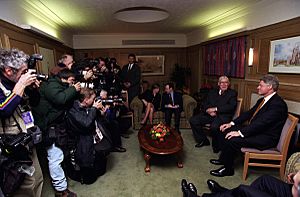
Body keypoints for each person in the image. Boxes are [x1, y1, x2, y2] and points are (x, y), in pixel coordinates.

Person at [209, 74, 288, 177]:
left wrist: (240, 133)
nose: (258, 87)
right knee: (224, 129)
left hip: (265, 137)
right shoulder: (262, 100)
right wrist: (231, 124)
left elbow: (262, 123)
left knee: (232, 139)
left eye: (261, 85)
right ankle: (224, 160)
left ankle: (228, 170)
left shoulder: (278, 104)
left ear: (270, 87)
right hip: (257, 131)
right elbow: (248, 113)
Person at [0, 48, 43, 197]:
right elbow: (3, 110)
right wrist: (21, 86)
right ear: (8, 71)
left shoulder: (18, 81)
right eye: (23, 71)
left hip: (27, 138)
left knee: (36, 179)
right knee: (21, 185)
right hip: (11, 145)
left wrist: (32, 89)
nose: (26, 74)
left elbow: (36, 103)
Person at [32, 69, 80, 197]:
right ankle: (61, 190)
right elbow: (60, 99)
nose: (72, 83)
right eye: (71, 81)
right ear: (64, 78)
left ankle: (61, 184)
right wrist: (73, 89)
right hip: (49, 126)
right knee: (55, 157)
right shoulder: (52, 85)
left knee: (58, 155)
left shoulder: (58, 85)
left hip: (54, 125)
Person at [65, 88, 112, 184]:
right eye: (93, 98)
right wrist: (94, 108)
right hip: (83, 141)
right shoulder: (73, 111)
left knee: (101, 167)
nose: (94, 100)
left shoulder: (89, 105)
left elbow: (101, 118)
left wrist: (102, 111)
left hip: (96, 137)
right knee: (89, 178)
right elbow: (86, 123)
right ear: (86, 100)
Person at [189, 76, 237, 152]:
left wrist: (215, 109)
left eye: (226, 82)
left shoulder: (232, 93)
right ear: (218, 84)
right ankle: (203, 140)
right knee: (193, 120)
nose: (224, 84)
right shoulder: (212, 92)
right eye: (222, 82)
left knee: (214, 127)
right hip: (210, 115)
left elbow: (231, 107)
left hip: (222, 116)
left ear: (229, 84)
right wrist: (208, 110)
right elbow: (205, 103)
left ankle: (216, 146)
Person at [181, 170, 300, 197]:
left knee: (244, 190)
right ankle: (226, 193)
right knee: (265, 180)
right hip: (292, 191)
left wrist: (296, 177)